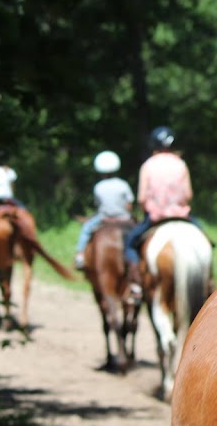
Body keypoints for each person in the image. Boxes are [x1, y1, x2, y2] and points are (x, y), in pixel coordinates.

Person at [123, 126, 194, 299]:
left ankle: (137, 282)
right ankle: (209, 283)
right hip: (181, 217)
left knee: (130, 244)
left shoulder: (148, 165)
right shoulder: (181, 164)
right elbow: (188, 195)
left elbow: (141, 198)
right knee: (207, 241)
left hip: (156, 218)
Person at [74, 150, 135, 271]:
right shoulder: (123, 184)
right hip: (124, 218)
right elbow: (129, 204)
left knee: (86, 228)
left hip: (104, 218)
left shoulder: (98, 186)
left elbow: (98, 205)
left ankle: (80, 254)